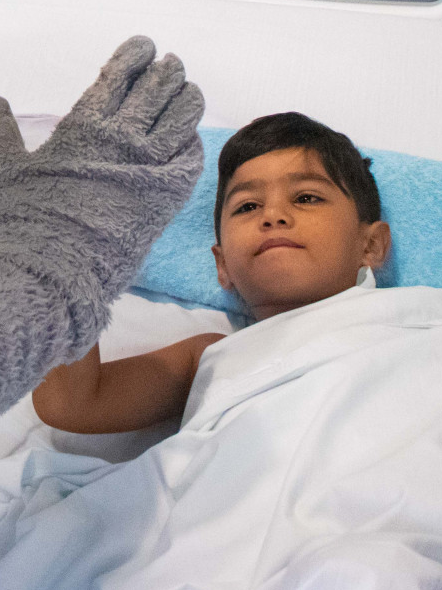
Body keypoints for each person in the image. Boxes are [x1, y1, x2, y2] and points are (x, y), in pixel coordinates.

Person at [33, 112, 391, 433]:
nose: (274, 216)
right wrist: (65, 259)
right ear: (223, 266)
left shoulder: (427, 318)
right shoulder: (210, 359)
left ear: (371, 245)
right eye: (248, 206)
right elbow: (71, 404)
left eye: (306, 198)